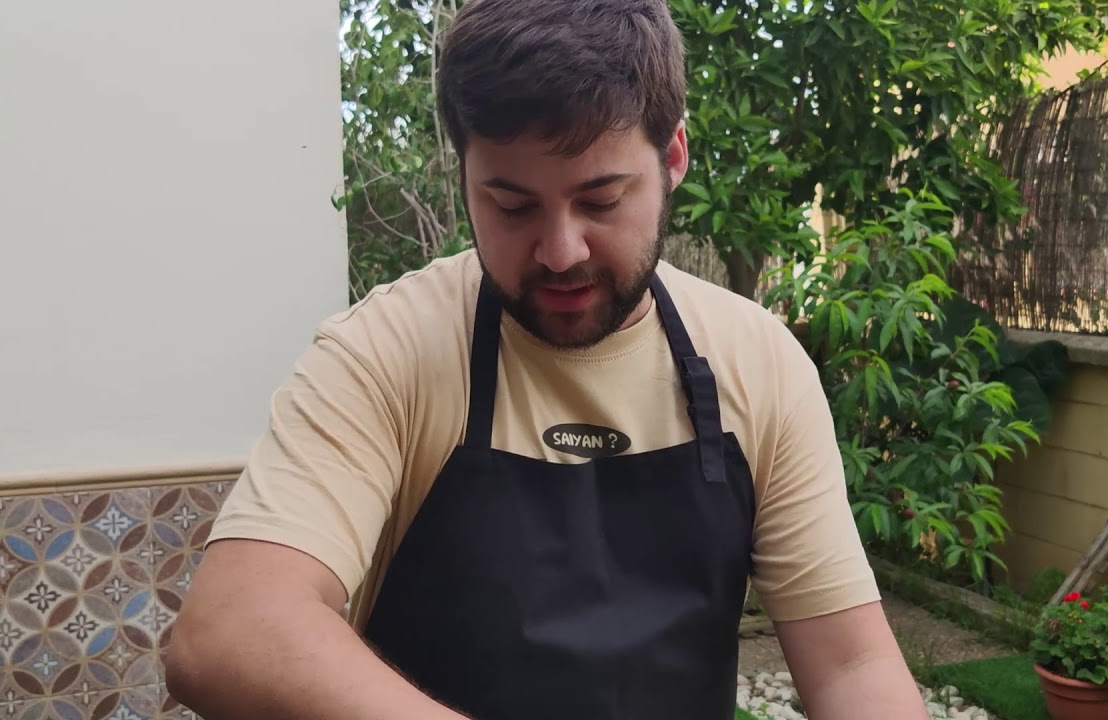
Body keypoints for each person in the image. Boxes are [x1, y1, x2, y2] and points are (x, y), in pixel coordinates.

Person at [164, 1, 929, 718]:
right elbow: (229, 632)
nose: (560, 250)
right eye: (512, 205)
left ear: (673, 159)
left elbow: (850, 668)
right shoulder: (383, 353)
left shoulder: (757, 362)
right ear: (463, 174)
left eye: (601, 200)